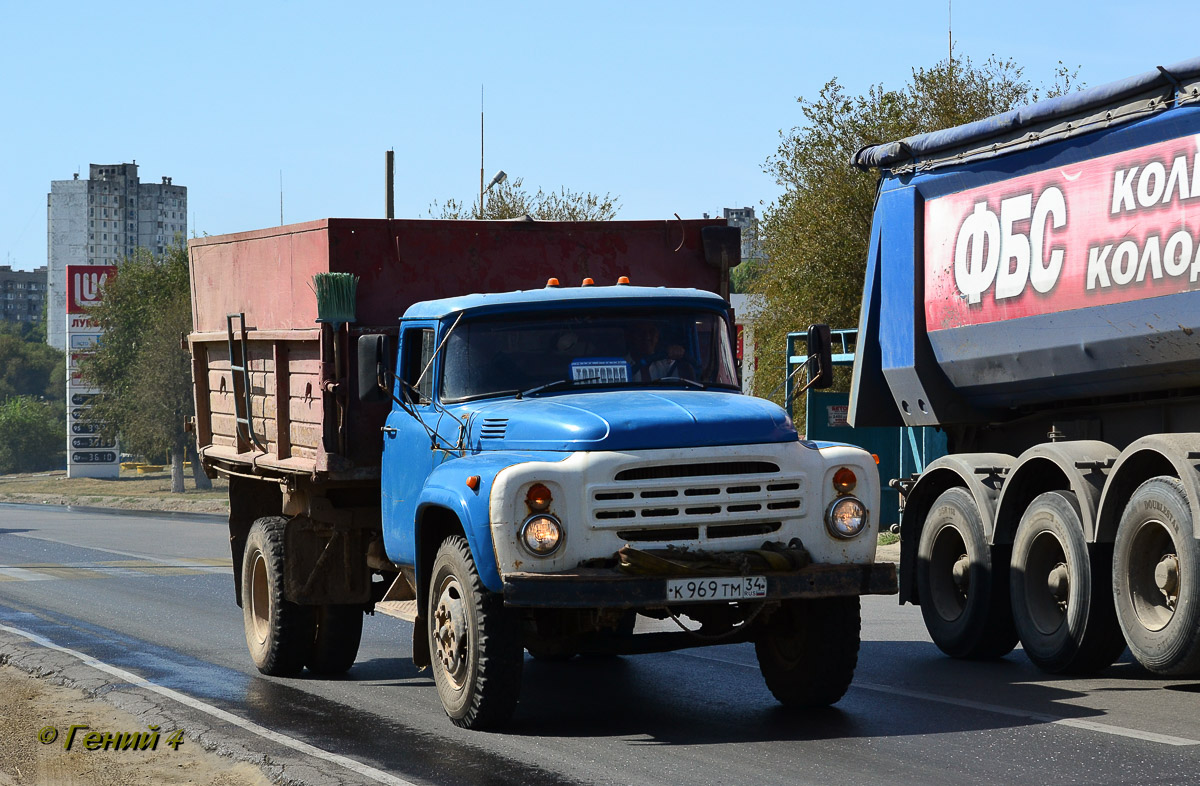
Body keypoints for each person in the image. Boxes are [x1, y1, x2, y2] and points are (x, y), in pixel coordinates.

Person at [625, 321, 689, 382]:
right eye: (640, 332)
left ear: (657, 337)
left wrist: (680, 355)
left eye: (652, 331)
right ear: (631, 336)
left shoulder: (667, 364)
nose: (647, 337)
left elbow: (685, 386)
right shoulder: (621, 365)